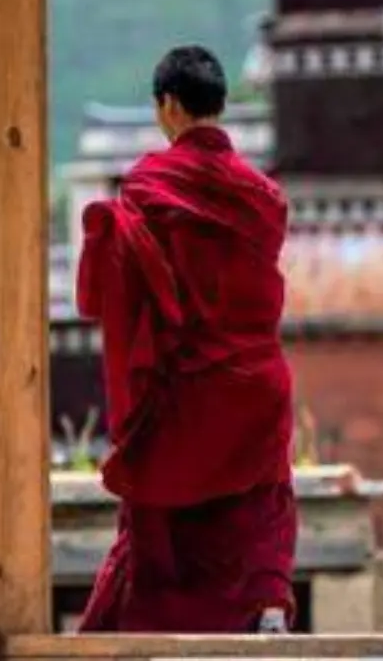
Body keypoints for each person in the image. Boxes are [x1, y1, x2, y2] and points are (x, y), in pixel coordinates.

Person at [75, 45, 298, 633]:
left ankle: (149, 630)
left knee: (162, 529)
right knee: (256, 504)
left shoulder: (148, 188)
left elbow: (116, 290)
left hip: (185, 387)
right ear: (220, 106)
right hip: (255, 384)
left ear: (167, 106)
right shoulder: (265, 197)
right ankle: (265, 610)